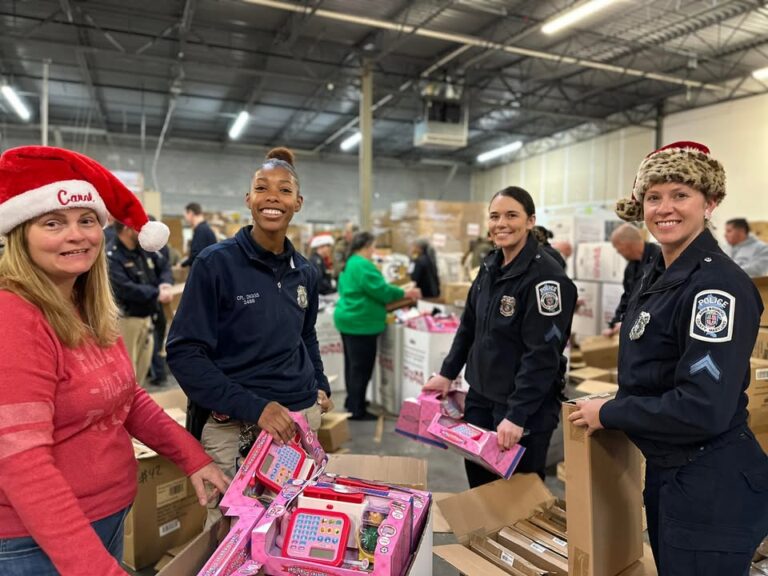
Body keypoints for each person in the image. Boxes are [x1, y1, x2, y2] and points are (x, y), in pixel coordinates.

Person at [0, 145, 228, 576]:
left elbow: (127, 398)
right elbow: (21, 463)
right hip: (36, 543)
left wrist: (192, 456)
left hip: (103, 517)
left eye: (87, 220)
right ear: (20, 233)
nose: (77, 234)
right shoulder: (13, 317)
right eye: (53, 222)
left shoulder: (82, 305)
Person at [569, 141, 768, 576]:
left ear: (710, 202)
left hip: (712, 485)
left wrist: (612, 413)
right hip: (674, 475)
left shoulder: (716, 287)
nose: (664, 208)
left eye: (680, 194)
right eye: (654, 196)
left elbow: (703, 407)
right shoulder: (658, 271)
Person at [166, 148, 333, 526]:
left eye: (284, 190)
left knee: (292, 530)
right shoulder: (215, 264)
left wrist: (319, 384)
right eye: (262, 187)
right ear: (249, 200)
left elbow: (305, 336)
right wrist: (254, 407)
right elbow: (184, 353)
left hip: (300, 424)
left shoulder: (304, 271)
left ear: (298, 203)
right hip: (234, 429)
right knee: (231, 538)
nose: (273, 196)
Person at [424, 187, 577, 487]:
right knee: (480, 490)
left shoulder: (547, 280)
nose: (501, 223)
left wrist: (518, 415)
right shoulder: (490, 266)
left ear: (531, 221)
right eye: (495, 216)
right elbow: (469, 325)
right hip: (481, 399)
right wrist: (447, 374)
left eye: (511, 215)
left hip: (522, 409)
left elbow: (542, 355)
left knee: (518, 502)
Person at [334, 232, 422, 420]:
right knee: (361, 368)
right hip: (361, 322)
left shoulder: (351, 262)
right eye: (372, 247)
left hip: (348, 319)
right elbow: (381, 291)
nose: (373, 251)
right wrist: (405, 293)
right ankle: (357, 410)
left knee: (351, 365)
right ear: (365, 246)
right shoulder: (363, 265)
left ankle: (352, 401)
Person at [108, 220, 174, 387]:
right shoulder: (111, 255)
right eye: (139, 227)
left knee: (141, 374)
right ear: (126, 229)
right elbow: (124, 288)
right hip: (127, 320)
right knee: (126, 375)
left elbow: (164, 265)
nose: (143, 231)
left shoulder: (144, 250)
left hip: (148, 317)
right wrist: (157, 293)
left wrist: (165, 283)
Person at [602, 223, 660, 337]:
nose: (618, 252)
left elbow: (656, 300)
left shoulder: (659, 260)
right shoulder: (630, 268)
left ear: (627, 244)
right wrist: (615, 323)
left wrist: (630, 322)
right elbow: (627, 297)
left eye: (617, 247)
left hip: (652, 328)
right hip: (633, 327)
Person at [180, 202, 217, 268]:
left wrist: (182, 264)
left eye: (185, 216)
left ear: (191, 213)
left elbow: (197, 255)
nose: (185, 219)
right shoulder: (204, 229)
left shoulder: (201, 230)